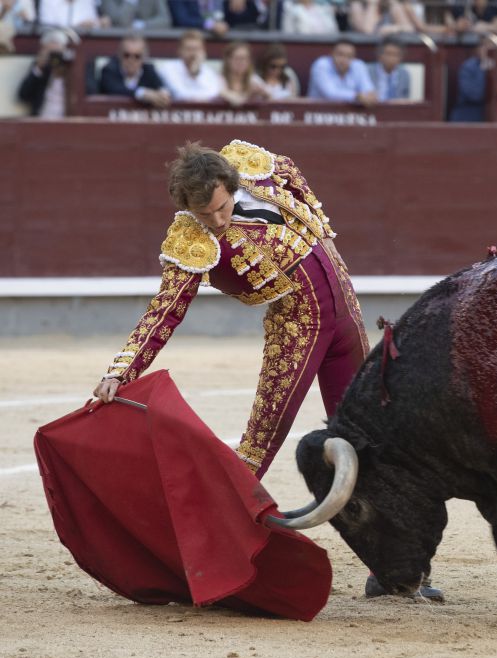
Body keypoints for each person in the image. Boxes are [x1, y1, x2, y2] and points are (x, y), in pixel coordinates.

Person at [93, 140, 370, 481]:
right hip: (298, 326)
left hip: (345, 304)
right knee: (262, 438)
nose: (217, 220)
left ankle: (372, 506)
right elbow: (164, 310)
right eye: (204, 214)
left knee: (363, 421)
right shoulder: (191, 241)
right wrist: (121, 372)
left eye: (222, 207)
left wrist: (324, 231)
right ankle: (225, 511)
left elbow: (290, 172)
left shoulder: (251, 166)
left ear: (231, 185)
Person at [97, 33, 171, 108]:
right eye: (126, 55)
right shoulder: (109, 70)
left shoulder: (149, 70)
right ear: (119, 55)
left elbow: (161, 87)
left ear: (144, 57)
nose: (131, 60)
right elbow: (115, 90)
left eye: (137, 56)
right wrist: (143, 94)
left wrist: (163, 94)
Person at [17, 29, 74, 118]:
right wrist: (38, 68)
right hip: (43, 118)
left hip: (70, 119)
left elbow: (89, 92)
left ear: (64, 50)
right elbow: (23, 96)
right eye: (51, 54)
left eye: (58, 54)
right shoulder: (40, 66)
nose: (55, 59)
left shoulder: (74, 67)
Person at [158, 29, 222, 102]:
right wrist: (193, 73)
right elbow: (181, 94)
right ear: (179, 50)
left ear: (203, 51)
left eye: (196, 49)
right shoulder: (167, 68)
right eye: (189, 49)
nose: (193, 53)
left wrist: (196, 71)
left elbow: (213, 93)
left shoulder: (209, 71)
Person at [308, 39, 378, 104]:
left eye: (349, 56)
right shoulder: (321, 65)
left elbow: (368, 91)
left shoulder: (358, 65)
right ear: (331, 54)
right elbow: (330, 93)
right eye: (340, 54)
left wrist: (369, 96)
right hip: (318, 111)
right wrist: (356, 96)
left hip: (352, 112)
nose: (344, 60)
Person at [449, 35, 497, 122]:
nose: (489, 51)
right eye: (485, 46)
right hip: (469, 117)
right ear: (478, 49)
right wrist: (485, 70)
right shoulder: (468, 67)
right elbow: (475, 95)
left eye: (493, 47)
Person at [219, 41, 270, 106]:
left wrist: (264, 94)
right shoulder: (219, 80)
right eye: (237, 58)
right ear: (228, 60)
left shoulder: (254, 79)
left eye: (244, 58)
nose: (241, 62)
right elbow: (236, 101)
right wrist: (249, 93)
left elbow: (272, 98)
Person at [370, 37, 411, 102]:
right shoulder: (368, 72)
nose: (391, 58)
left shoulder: (404, 75)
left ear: (401, 57)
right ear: (379, 55)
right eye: (388, 54)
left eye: (396, 55)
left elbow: (405, 99)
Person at [99, 0, 171, 30]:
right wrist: (131, 1)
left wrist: (140, 25)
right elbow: (119, 21)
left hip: (148, 42)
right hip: (118, 43)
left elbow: (165, 20)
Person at [38, 0, 108, 30]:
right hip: (56, 42)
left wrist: (99, 23)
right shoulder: (48, 1)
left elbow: (93, 24)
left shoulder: (88, 1)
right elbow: (47, 27)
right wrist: (79, 27)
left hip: (83, 43)